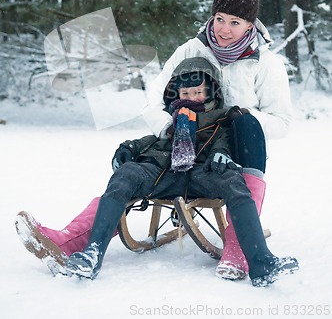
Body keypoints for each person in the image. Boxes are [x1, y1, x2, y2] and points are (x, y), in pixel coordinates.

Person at [16, 0, 293, 281]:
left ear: (251, 25)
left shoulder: (266, 64)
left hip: (232, 154)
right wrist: (174, 129)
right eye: (219, 19)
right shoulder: (191, 49)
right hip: (176, 147)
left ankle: (241, 250)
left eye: (235, 23)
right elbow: (154, 99)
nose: (224, 29)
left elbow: (282, 121)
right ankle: (70, 241)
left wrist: (237, 118)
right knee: (127, 178)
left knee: (246, 124)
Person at [62, 56, 298, 286]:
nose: (191, 98)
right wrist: (128, 148)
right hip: (164, 172)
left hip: (202, 172)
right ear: (175, 95)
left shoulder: (220, 118)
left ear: (211, 92)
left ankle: (262, 262)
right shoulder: (170, 120)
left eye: (198, 92)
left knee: (234, 183)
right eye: (185, 94)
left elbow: (223, 139)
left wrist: (223, 153)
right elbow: (154, 141)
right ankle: (92, 254)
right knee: (126, 175)